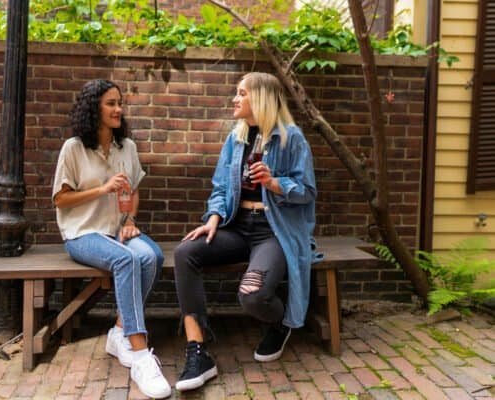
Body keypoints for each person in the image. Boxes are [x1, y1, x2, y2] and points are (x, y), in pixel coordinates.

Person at [173, 72, 317, 391]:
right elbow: (222, 186)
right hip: (237, 227)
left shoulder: (291, 138)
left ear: (261, 98)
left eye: (242, 93)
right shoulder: (236, 138)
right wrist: (212, 218)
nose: (235, 99)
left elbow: (307, 192)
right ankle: (197, 349)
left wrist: (274, 183)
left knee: (251, 297)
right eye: (236, 92)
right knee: (186, 253)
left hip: (273, 231)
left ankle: (279, 323)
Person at [52, 79, 171, 399]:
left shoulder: (126, 147)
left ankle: (119, 331)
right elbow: (61, 200)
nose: (118, 109)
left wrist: (130, 220)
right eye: (110, 103)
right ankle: (140, 352)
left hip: (118, 230)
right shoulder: (74, 148)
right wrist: (102, 189)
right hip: (82, 233)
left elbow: (133, 192)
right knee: (127, 258)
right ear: (94, 108)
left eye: (120, 103)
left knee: (152, 255)